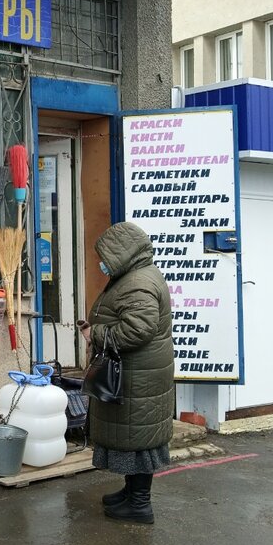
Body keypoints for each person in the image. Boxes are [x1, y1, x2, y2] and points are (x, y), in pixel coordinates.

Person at [78, 221, 175, 524]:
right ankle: (131, 493)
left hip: (138, 377)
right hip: (138, 374)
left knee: (140, 441)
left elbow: (138, 330)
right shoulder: (134, 274)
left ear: (122, 253)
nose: (101, 262)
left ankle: (139, 504)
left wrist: (95, 333)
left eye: (105, 256)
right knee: (135, 438)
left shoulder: (138, 283)